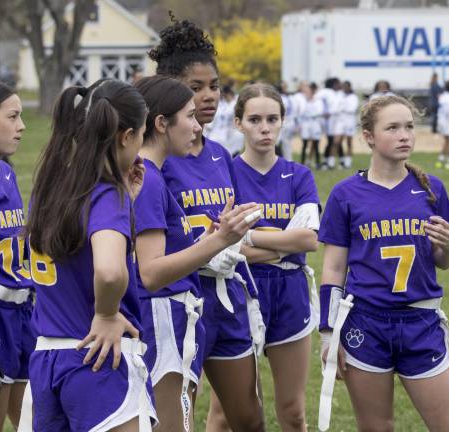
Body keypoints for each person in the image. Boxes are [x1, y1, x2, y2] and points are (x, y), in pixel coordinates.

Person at [317, 94, 449, 432]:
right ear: (369, 137)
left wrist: (448, 245)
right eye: (392, 127)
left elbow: (446, 261)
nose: (404, 134)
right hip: (366, 323)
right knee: (377, 427)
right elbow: (333, 269)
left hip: (420, 321)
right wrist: (328, 332)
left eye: (409, 126)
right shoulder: (345, 194)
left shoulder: (431, 189)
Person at [147, 19, 266, 432]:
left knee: (249, 418)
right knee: (179, 418)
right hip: (180, 298)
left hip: (226, 296)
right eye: (196, 87)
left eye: (214, 85)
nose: (209, 96)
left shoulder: (219, 154)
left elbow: (233, 229)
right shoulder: (153, 159)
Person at [23, 79, 157, 430]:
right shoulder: (105, 194)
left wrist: (127, 201)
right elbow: (110, 271)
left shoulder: (49, 189)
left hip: (49, 359)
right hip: (97, 359)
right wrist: (107, 313)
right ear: (125, 136)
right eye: (142, 135)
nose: (142, 149)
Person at [232, 83, 320, 432]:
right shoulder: (227, 172)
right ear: (239, 123)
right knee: (230, 413)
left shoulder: (299, 175)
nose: (264, 128)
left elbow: (309, 240)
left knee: (293, 411)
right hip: (240, 291)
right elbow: (225, 248)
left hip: (290, 292)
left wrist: (249, 236)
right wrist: (284, 243)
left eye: (272, 119)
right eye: (254, 119)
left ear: (283, 121)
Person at [0, 82, 33, 431]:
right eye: (13, 116)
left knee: (34, 419)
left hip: (21, 312)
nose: (22, 125)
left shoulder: (6, 171)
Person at [299, 82, 324, 169]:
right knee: (305, 143)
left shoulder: (318, 101)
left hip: (315, 123)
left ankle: (317, 163)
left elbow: (319, 111)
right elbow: (301, 112)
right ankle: (302, 163)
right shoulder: (303, 100)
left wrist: (310, 112)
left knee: (316, 144)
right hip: (306, 123)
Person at [435, 80, 449, 168]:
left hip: (441, 120)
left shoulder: (442, 96)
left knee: (446, 140)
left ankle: (441, 158)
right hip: (448, 121)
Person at [339, 80, 359, 169]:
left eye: (346, 86)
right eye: (343, 86)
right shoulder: (341, 96)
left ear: (349, 87)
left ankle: (348, 162)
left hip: (350, 121)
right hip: (341, 121)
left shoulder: (353, 97)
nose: (344, 88)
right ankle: (342, 160)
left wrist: (343, 108)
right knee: (338, 142)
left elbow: (352, 109)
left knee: (349, 142)